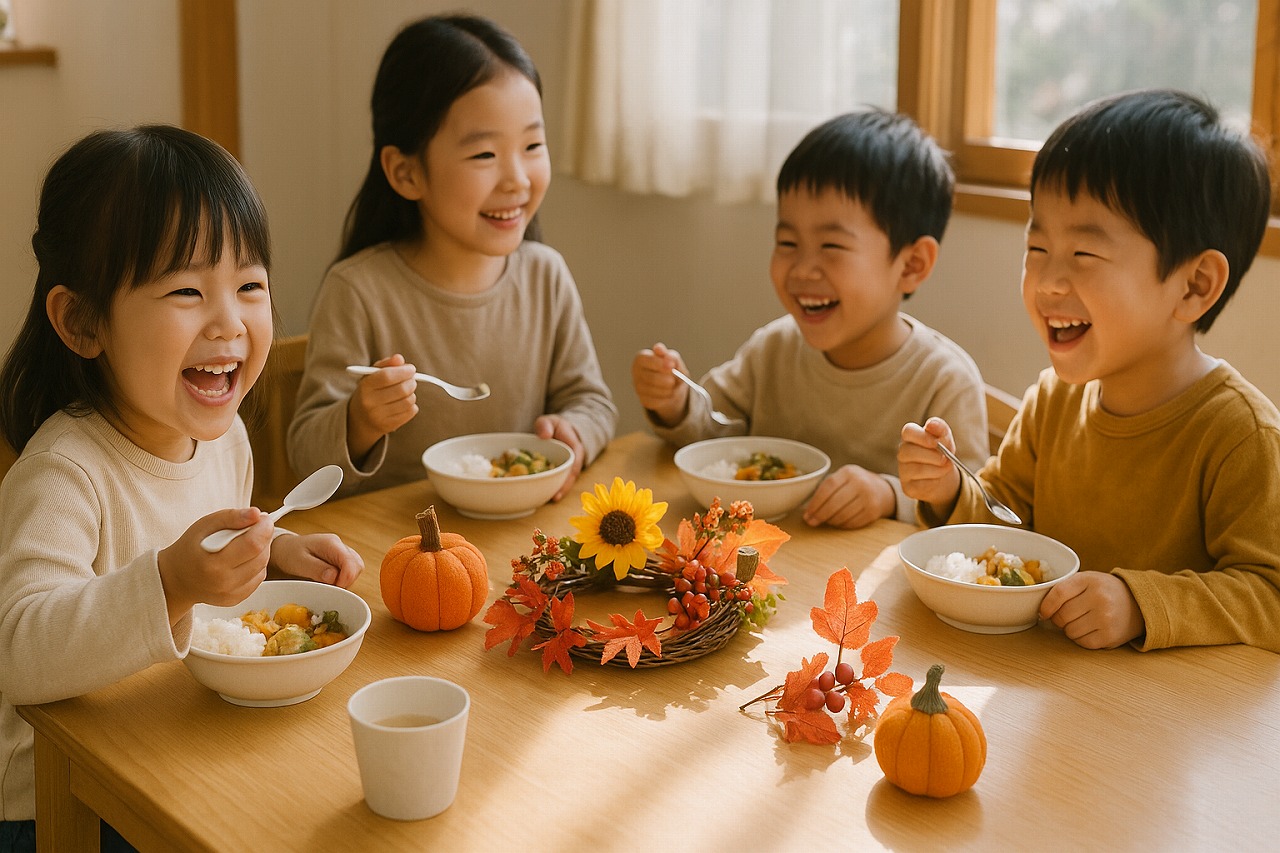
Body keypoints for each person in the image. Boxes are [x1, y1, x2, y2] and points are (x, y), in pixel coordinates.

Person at [0, 126, 364, 849]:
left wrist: (277, 546)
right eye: (188, 290)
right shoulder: (65, 472)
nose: (229, 320)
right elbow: (20, 650)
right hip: (62, 802)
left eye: (250, 285)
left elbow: (210, 532)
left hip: (172, 747)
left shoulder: (221, 437)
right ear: (82, 322)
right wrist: (168, 581)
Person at [898, 89, 1280, 652]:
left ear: (1194, 286)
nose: (1048, 281)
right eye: (1037, 248)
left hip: (1164, 722)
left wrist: (1140, 606)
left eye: (1084, 255)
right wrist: (951, 489)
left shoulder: (1239, 434)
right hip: (1049, 691)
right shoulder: (1053, 401)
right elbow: (1007, 520)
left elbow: (1269, 595)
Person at [287, 13, 617, 499]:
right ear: (405, 172)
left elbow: (591, 400)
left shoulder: (545, 275)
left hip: (520, 540)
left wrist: (575, 434)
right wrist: (359, 420)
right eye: (485, 155)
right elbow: (305, 457)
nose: (518, 180)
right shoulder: (359, 290)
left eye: (532, 145)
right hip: (396, 546)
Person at [632, 109, 988, 529]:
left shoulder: (945, 381)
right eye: (787, 242)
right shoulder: (773, 349)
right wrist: (676, 406)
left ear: (911, 265)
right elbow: (711, 442)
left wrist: (889, 494)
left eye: (831, 246)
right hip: (760, 571)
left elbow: (972, 515)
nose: (802, 269)